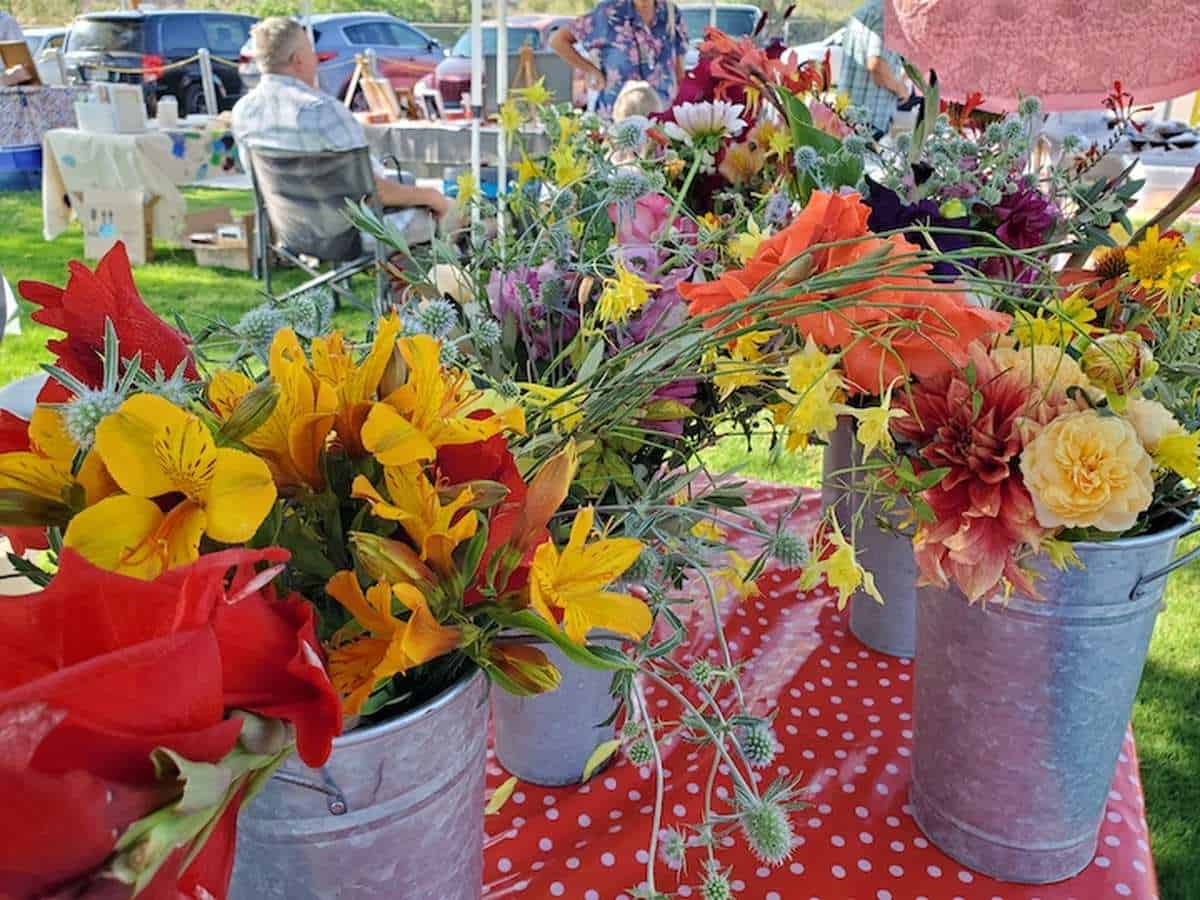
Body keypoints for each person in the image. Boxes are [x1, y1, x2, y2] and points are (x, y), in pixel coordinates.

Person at [232, 17, 449, 221]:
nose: (315, 58)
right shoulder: (323, 111)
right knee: (445, 211)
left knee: (409, 187)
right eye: (311, 50)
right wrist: (431, 197)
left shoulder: (243, 111)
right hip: (354, 231)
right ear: (298, 59)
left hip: (290, 229)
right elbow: (375, 192)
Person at [550, 0, 688, 118]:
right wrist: (591, 70)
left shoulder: (671, 13)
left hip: (662, 117)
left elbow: (679, 71)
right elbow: (558, 41)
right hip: (617, 119)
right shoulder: (608, 12)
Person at [840, 0, 911, 139]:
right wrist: (901, 89)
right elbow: (877, 65)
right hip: (869, 120)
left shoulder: (865, 9)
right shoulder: (885, 15)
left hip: (848, 115)